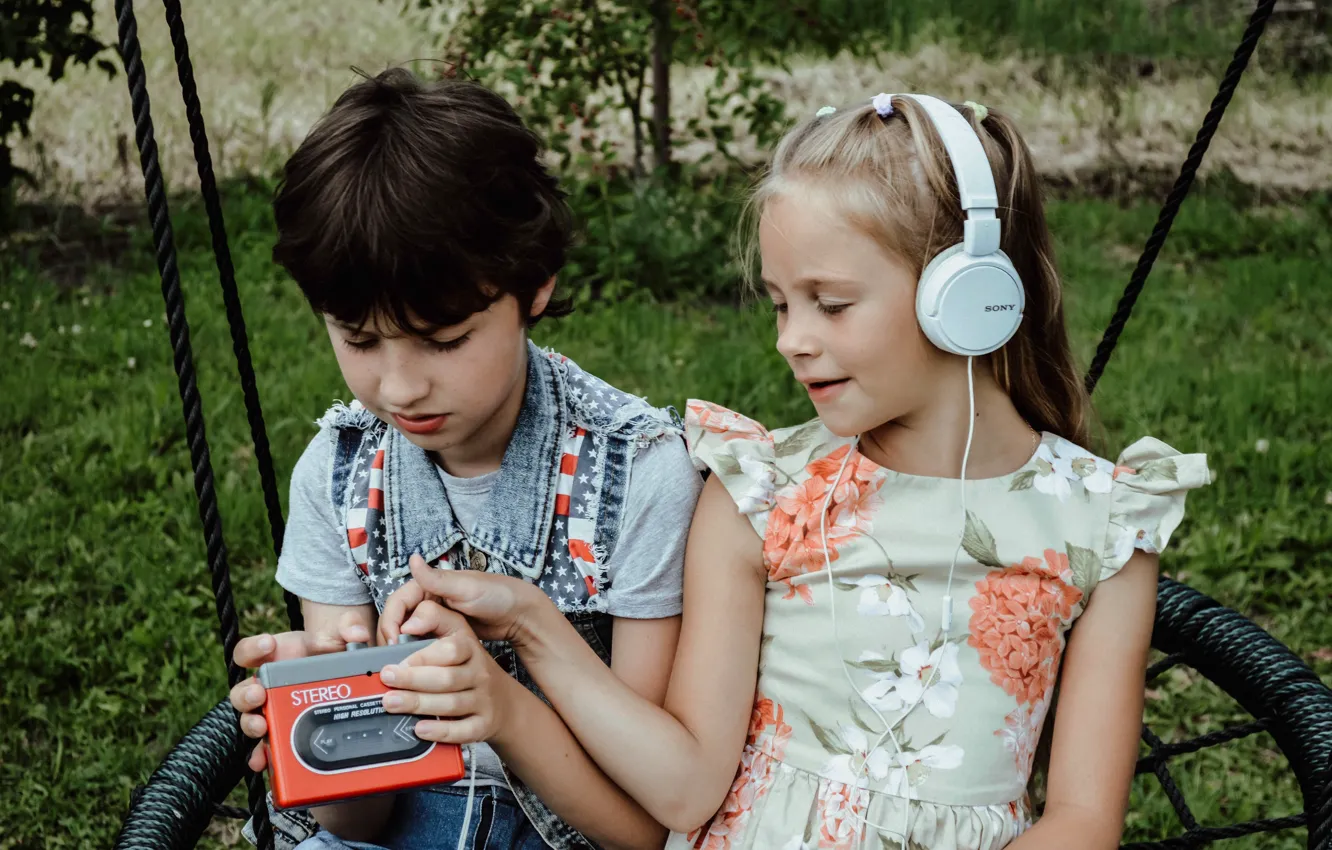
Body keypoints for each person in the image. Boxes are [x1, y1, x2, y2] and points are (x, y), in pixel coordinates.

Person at [377, 93, 1212, 849]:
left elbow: (1082, 821)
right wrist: (530, 624)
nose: (792, 339)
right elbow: (686, 788)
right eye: (781, 303)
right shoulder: (762, 492)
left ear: (967, 295)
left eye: (831, 303)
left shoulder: (1103, 525)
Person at [227, 67, 700, 850]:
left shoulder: (638, 478)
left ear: (534, 287)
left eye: (445, 340)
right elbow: (356, 825)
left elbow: (644, 826)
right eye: (359, 339)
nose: (401, 386)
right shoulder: (340, 477)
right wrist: (320, 732)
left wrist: (506, 713)